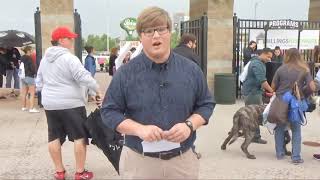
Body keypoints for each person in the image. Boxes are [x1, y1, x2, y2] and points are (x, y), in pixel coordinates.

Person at [100, 7, 215, 179]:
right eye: (148, 31)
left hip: (182, 163)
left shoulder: (191, 70)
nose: (156, 35)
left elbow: (206, 104)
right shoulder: (125, 73)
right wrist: (138, 129)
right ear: (140, 37)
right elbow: (108, 111)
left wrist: (189, 125)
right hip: (140, 163)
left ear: (170, 32)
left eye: (161, 29)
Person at [36, 26, 102, 180]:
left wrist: (49, 93)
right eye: (69, 38)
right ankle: (80, 173)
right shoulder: (69, 58)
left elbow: (39, 81)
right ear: (60, 40)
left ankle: (59, 172)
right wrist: (97, 90)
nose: (73, 40)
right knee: (79, 137)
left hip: (51, 104)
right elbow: (83, 76)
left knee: (54, 136)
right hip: (71, 104)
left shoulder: (45, 59)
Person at [271, 48, 316, 164]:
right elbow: (312, 87)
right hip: (295, 102)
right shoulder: (304, 70)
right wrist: (303, 93)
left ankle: (280, 154)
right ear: (299, 56)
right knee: (296, 130)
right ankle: (295, 157)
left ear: (287, 56)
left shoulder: (281, 69)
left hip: (281, 101)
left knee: (280, 128)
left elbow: (273, 87)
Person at [242, 48, 274, 144]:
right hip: (252, 93)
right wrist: (272, 91)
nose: (269, 59)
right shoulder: (257, 64)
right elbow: (262, 81)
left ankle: (247, 132)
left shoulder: (258, 62)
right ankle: (255, 136)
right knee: (255, 115)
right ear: (263, 54)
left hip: (252, 91)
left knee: (250, 114)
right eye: (268, 57)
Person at [20, 46, 39, 113]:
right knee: (32, 93)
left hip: (23, 77)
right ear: (28, 51)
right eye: (31, 50)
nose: (32, 51)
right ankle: (31, 108)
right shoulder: (29, 58)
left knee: (24, 93)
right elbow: (32, 68)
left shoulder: (22, 57)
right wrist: (36, 73)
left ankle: (23, 107)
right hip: (29, 76)